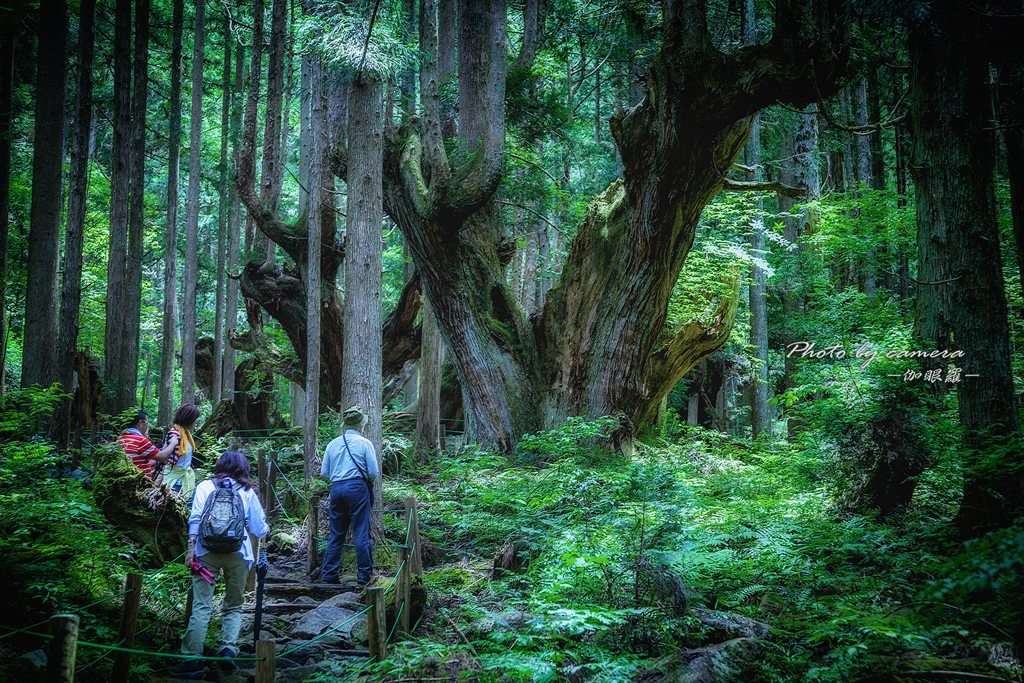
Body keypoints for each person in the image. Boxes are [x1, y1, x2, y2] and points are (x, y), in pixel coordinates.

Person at [171, 450, 268, 679]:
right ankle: (228, 650)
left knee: (201, 606)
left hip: (206, 553)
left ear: (220, 465)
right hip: (238, 554)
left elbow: (195, 517)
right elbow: (260, 528)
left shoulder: (205, 486)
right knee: (233, 605)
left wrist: (191, 548)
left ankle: (192, 659)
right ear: (243, 468)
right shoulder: (246, 491)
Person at [320, 405, 379, 586]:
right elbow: (373, 472)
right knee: (361, 532)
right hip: (357, 487)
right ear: (361, 426)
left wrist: (339, 479)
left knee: (336, 533)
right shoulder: (365, 443)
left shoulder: (333, 443)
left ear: (345, 425)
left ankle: (329, 574)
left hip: (336, 488)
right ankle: (364, 576)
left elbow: (324, 473)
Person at [118, 410, 179, 478]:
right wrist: (173, 443)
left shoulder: (120, 439)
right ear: (140, 423)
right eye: (147, 423)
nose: (147, 427)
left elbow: (137, 464)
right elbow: (162, 456)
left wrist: (157, 462)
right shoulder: (140, 441)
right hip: (140, 484)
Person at [164, 404, 201, 496]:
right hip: (174, 480)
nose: (195, 422)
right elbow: (164, 454)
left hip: (183, 478)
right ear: (189, 419)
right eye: (194, 420)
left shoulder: (185, 433)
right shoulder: (175, 434)